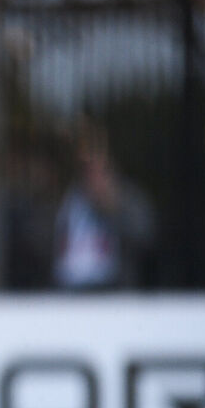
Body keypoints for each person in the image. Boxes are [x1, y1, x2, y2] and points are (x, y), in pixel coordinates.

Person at [52, 124, 154, 291]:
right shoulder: (67, 200)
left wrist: (113, 209)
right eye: (88, 170)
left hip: (113, 294)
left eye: (100, 169)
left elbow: (145, 236)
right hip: (70, 294)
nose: (94, 177)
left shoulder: (129, 199)